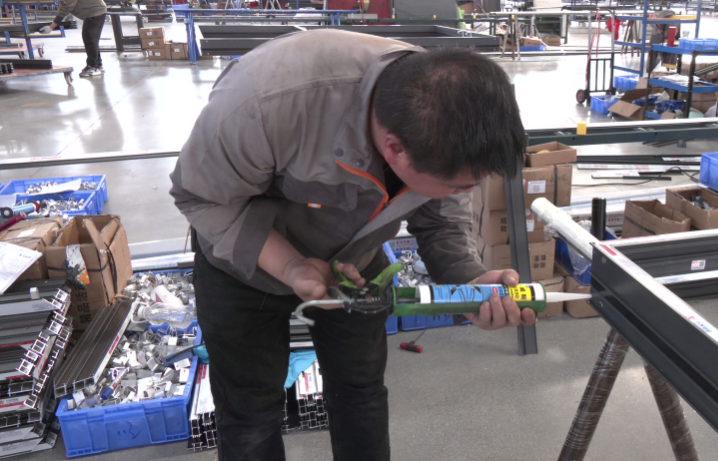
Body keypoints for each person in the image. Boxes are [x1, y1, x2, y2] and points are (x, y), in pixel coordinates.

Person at [170, 30, 534, 461]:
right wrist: (289, 265)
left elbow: (441, 218)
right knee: (250, 412)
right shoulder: (263, 100)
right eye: (461, 186)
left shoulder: (447, 116)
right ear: (394, 148)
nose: (466, 191)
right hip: (242, 267)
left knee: (360, 393)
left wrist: (469, 284)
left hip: (355, 270)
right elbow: (201, 197)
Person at [38, 0, 107, 78]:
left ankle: (93, 67)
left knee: (90, 39)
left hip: (95, 12)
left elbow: (65, 8)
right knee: (91, 39)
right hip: (93, 12)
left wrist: (52, 27)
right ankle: (98, 65)